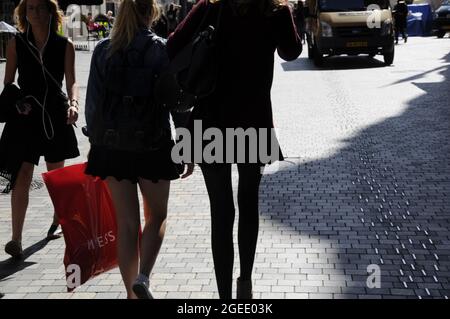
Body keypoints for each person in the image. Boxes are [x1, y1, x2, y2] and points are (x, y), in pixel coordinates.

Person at [167, 0, 301, 299]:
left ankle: (225, 298)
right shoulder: (274, 11)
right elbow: (291, 52)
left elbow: (173, 46)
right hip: (254, 120)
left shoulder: (209, 8)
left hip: (210, 124)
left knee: (221, 213)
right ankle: (245, 283)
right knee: (248, 204)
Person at [85, 0, 194, 299]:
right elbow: (177, 104)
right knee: (156, 216)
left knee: (127, 223)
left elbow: (92, 107)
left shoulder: (102, 50)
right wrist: (186, 145)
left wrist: (95, 143)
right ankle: (143, 278)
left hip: (111, 149)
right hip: (153, 146)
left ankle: (131, 296)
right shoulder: (161, 49)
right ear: (152, 13)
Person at [0, 0, 80, 258]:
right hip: (27, 114)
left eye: (39, 7)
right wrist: (15, 102)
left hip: (56, 114)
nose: (34, 12)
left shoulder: (64, 46)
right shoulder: (16, 44)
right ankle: (16, 239)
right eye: (29, 8)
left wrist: (74, 104)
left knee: (56, 178)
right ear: (24, 13)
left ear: (50, 12)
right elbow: (9, 82)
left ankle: (58, 217)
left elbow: (72, 81)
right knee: (22, 174)